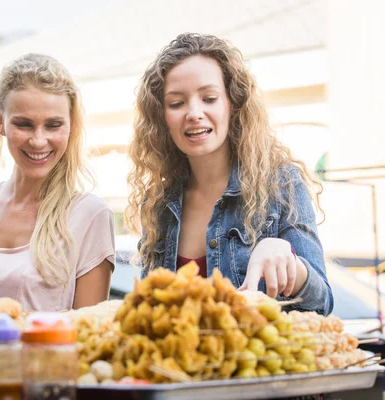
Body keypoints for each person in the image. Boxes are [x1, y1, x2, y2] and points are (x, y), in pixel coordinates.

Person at [126, 33, 333, 315]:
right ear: (162, 117)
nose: (194, 112)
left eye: (209, 98)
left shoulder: (281, 184)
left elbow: (322, 305)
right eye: (176, 103)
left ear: (232, 105)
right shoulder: (159, 202)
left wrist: (291, 265)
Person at [0, 54, 115, 312]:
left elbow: (88, 336)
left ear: (71, 126)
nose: (38, 140)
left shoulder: (89, 215)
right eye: (24, 124)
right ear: (0, 120)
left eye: (53, 125)